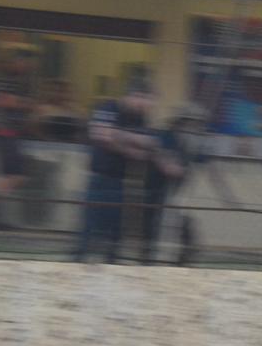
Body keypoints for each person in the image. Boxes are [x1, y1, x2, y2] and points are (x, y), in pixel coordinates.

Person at [74, 80, 156, 264]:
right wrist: (130, 143)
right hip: (99, 177)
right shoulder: (108, 108)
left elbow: (147, 144)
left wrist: (119, 137)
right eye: (146, 101)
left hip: (120, 179)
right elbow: (102, 135)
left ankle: (111, 265)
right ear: (136, 95)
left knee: (115, 232)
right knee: (89, 228)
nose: (147, 107)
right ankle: (77, 263)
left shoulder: (139, 118)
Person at [141, 104, 206, 265]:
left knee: (185, 229)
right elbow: (166, 164)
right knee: (153, 232)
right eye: (192, 123)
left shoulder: (190, 143)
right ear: (181, 123)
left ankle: (182, 262)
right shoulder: (165, 137)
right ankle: (148, 262)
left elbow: (202, 158)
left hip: (175, 195)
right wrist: (174, 166)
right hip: (156, 192)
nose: (195, 128)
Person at [0, 50, 37, 229]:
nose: (28, 67)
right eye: (25, 62)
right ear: (17, 60)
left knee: (11, 177)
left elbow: (19, 103)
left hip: (12, 134)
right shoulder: (2, 79)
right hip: (4, 132)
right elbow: (2, 101)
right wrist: (24, 103)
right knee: (14, 175)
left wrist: (20, 102)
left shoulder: (22, 82)